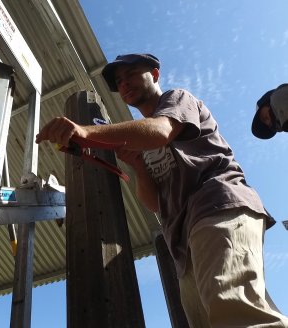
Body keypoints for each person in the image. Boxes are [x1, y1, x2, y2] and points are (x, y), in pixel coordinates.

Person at [36, 53, 288, 327]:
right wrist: (139, 168)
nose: (124, 83)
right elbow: (155, 203)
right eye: (119, 81)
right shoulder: (142, 141)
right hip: (183, 242)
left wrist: (86, 132)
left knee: (237, 314)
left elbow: (161, 129)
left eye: (131, 73)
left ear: (155, 74)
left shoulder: (177, 99)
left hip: (218, 207)